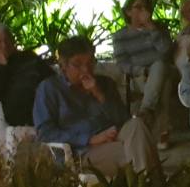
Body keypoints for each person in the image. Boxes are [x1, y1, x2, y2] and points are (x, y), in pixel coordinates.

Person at [34, 35, 158, 178]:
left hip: (114, 137)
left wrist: (98, 94)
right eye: (78, 64)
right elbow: (46, 133)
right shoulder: (49, 89)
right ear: (63, 66)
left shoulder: (105, 83)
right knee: (139, 152)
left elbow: (124, 120)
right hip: (82, 151)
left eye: (90, 63)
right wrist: (89, 139)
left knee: (137, 125)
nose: (85, 70)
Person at [111, 0, 175, 140]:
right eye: (138, 7)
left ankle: (146, 110)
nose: (143, 10)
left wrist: (152, 29)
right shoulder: (120, 36)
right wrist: (142, 71)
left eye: (146, 7)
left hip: (163, 70)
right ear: (128, 12)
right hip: (139, 77)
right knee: (164, 85)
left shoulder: (159, 28)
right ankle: (162, 133)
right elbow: (122, 63)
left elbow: (166, 51)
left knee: (159, 65)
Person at [0, 22, 52, 129]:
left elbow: (51, 77)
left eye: (7, 40)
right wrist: (3, 66)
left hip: (44, 99)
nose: (4, 45)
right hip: (19, 109)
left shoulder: (28, 56)